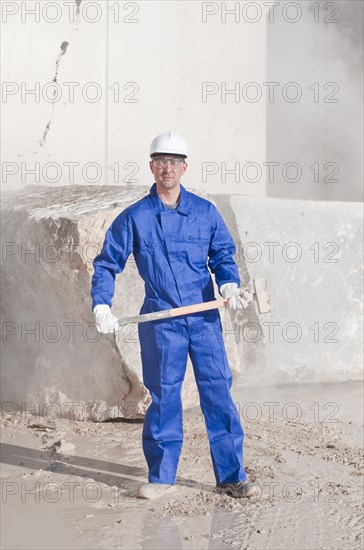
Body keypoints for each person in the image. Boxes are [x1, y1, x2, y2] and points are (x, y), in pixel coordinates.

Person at [91, 132, 258, 500]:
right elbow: (106, 263)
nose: (168, 168)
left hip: (203, 321)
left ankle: (231, 476)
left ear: (184, 167)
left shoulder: (204, 212)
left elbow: (223, 256)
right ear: (152, 166)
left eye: (174, 162)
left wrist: (229, 285)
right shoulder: (135, 217)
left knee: (218, 394)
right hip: (161, 321)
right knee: (165, 397)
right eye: (160, 161)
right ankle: (162, 476)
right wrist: (101, 303)